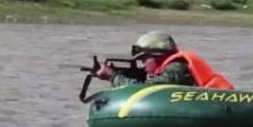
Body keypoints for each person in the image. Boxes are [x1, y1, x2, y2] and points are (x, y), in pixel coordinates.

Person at [95, 31, 235, 89]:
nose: (143, 65)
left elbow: (146, 89)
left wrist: (113, 77)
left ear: (157, 56)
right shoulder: (172, 67)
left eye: (144, 59)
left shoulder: (176, 68)